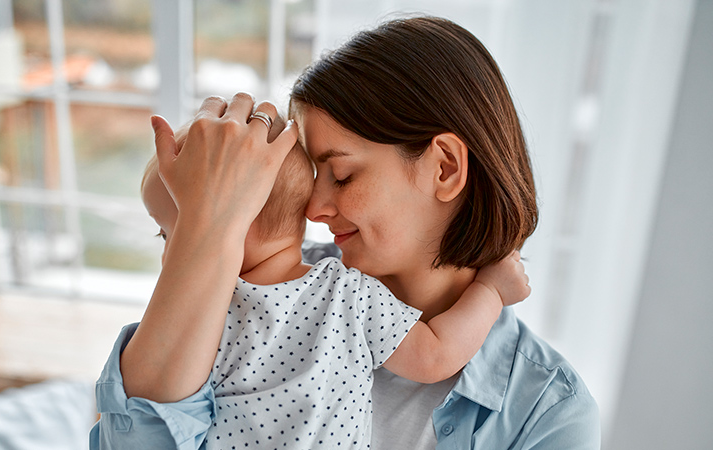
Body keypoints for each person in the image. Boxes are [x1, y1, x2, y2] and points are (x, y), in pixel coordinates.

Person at [92, 15, 600, 450]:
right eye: (313, 174)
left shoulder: (546, 414)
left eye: (343, 174)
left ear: (444, 168)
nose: (312, 207)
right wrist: (209, 220)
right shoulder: (247, 280)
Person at [92, 114, 528, 449]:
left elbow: (156, 418)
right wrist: (491, 291)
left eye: (173, 234)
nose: (173, 255)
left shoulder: (202, 316)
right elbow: (436, 356)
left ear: (232, 221)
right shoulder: (349, 294)